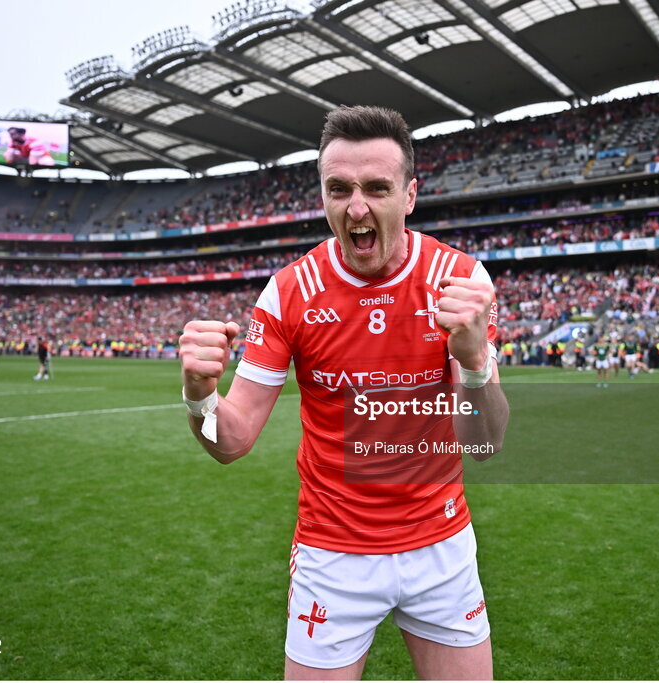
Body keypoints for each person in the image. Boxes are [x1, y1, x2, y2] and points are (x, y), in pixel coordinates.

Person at [179, 106, 509, 680]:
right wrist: (199, 397)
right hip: (332, 555)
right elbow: (228, 442)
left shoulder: (461, 282)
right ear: (324, 197)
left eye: (376, 188)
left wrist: (474, 362)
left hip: (441, 547)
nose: (357, 207)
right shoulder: (288, 293)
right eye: (339, 189)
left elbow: (486, 443)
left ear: (408, 196)